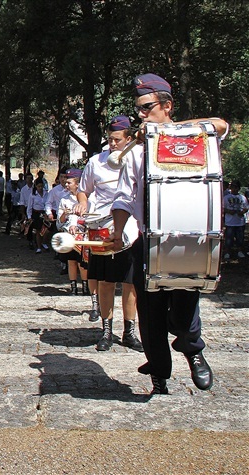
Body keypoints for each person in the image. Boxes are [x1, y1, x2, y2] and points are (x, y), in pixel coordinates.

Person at [111, 73, 228, 395]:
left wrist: (164, 131)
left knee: (185, 301)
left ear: (167, 105)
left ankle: (193, 351)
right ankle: (159, 372)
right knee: (150, 316)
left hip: (189, 240)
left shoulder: (195, 138)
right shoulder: (136, 151)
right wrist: (119, 231)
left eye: (147, 107)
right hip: (147, 239)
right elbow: (123, 196)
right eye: (138, 109)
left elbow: (219, 124)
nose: (141, 115)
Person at [78, 115, 142, 351]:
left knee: (130, 283)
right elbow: (83, 191)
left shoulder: (139, 158)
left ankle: (129, 332)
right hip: (102, 228)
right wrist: (83, 204)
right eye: (109, 139)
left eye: (117, 140)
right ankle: (106, 331)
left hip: (131, 228)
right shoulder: (96, 162)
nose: (112, 144)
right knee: (105, 282)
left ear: (128, 138)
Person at [57, 171, 89, 295]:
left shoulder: (87, 199)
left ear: (77, 184)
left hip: (83, 235)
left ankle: (85, 286)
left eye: (69, 182)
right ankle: (73, 287)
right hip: (69, 235)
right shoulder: (64, 199)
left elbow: (90, 217)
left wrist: (78, 225)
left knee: (83, 262)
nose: (66, 185)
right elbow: (59, 222)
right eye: (66, 182)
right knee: (71, 261)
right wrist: (64, 214)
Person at [223, 180, 248, 259]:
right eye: (233, 187)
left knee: (240, 238)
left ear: (239, 188)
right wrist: (228, 211)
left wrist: (243, 211)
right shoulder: (226, 198)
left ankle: (240, 251)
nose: (234, 189)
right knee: (229, 239)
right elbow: (222, 208)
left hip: (240, 222)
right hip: (230, 222)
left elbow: (246, 208)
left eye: (236, 187)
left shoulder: (242, 198)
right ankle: (227, 252)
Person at [26, 180, 49, 253]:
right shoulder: (32, 195)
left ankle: (44, 242)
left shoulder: (46, 193)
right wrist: (29, 217)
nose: (40, 188)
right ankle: (39, 247)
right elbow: (29, 207)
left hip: (44, 213)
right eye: (39, 186)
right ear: (36, 186)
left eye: (41, 186)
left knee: (47, 230)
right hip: (36, 213)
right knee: (38, 230)